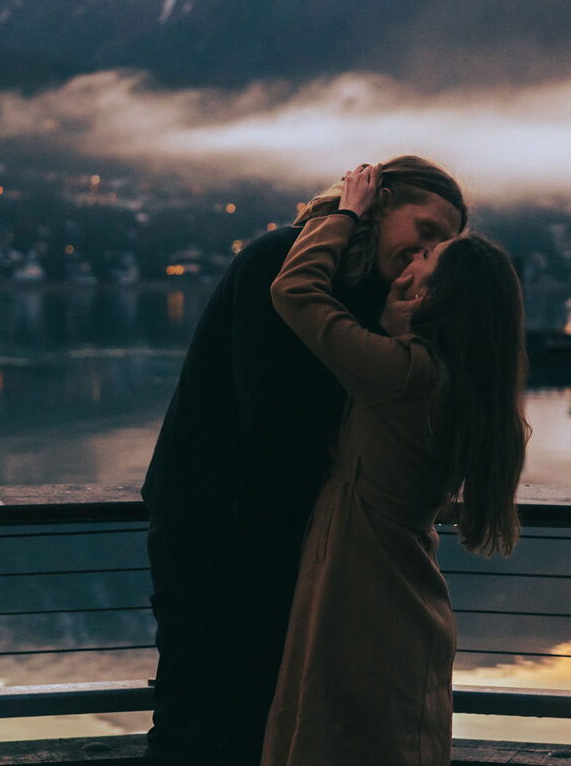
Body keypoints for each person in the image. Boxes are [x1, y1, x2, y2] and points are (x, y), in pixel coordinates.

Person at [141, 156, 467, 763]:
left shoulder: (379, 298)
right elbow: (274, 416)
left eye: (445, 244)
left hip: (292, 537)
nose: (428, 252)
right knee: (198, 711)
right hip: (211, 530)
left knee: (265, 713)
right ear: (379, 203)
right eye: (426, 230)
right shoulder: (279, 260)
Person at [260, 165, 530, 766]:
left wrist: (345, 214)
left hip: (364, 588)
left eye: (424, 264)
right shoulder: (457, 384)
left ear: (430, 296)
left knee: (338, 736)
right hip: (396, 584)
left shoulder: (403, 374)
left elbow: (295, 292)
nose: (409, 265)